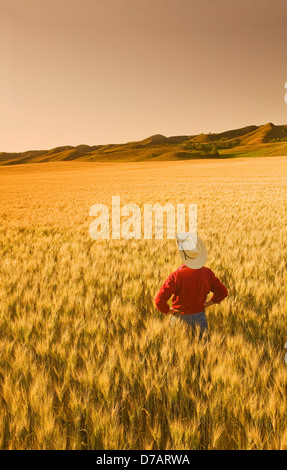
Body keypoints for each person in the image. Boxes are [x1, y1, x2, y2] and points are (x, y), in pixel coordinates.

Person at [154, 233, 228, 334]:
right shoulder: (207, 273)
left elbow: (159, 300)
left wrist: (167, 310)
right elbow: (223, 292)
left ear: (184, 255)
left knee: (178, 348)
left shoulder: (176, 275)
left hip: (179, 319)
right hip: (200, 318)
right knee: (202, 346)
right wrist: (209, 303)